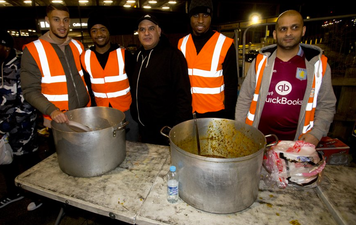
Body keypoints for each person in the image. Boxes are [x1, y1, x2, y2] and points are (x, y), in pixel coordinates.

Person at [235, 10, 336, 146]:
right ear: (275, 34)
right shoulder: (261, 62)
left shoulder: (318, 65)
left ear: (303, 30)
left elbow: (327, 105)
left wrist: (316, 133)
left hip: (297, 144)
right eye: (283, 29)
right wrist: (242, 130)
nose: (288, 33)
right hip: (258, 141)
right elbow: (244, 98)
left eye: (294, 27)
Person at [21, 3, 89, 128]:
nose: (62, 25)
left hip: (83, 114)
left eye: (65, 20)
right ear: (47, 21)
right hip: (57, 119)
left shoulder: (77, 46)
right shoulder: (33, 50)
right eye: (56, 20)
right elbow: (29, 90)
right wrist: (51, 110)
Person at [129, 14, 192, 145]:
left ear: (159, 31)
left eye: (151, 28)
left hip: (165, 132)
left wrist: (177, 129)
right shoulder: (138, 56)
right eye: (142, 29)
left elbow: (183, 95)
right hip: (144, 129)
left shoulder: (173, 56)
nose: (146, 33)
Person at [80, 11, 138, 141]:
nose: (99, 34)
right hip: (101, 113)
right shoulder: (84, 57)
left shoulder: (124, 55)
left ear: (109, 31)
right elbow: (87, 87)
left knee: (133, 147)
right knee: (107, 146)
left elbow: (135, 85)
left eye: (102, 29)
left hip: (127, 111)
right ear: (90, 33)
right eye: (94, 30)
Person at [0, 30, 41, 211]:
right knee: (6, 160)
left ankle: (38, 195)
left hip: (22, 125)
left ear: (6, 47)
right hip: (3, 127)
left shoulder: (19, 67)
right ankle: (13, 192)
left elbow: (26, 101)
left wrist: (7, 124)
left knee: (29, 161)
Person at [178, 0, 238, 120]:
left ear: (211, 18)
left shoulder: (225, 44)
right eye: (195, 15)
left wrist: (229, 117)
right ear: (190, 18)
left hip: (216, 114)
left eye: (205, 15)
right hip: (187, 112)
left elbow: (231, 85)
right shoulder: (181, 43)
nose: (200, 20)